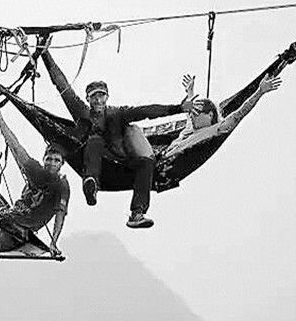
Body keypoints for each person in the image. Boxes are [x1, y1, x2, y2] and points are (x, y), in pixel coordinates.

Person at [35, 34, 201, 229]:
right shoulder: (82, 112)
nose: (98, 100)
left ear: (107, 97)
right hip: (95, 162)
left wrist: (178, 108)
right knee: (95, 140)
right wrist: (45, 54)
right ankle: (91, 184)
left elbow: (145, 111)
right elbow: (62, 85)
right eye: (94, 97)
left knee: (146, 162)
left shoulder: (117, 113)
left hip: (122, 161)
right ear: (88, 99)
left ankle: (137, 214)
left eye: (101, 96)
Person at [0, 103, 69, 257]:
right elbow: (15, 147)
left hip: (15, 234)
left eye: (56, 160)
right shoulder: (36, 171)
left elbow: (60, 215)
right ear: (44, 160)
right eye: (49, 159)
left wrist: (53, 242)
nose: (52, 163)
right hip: (0, 218)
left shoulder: (61, 185)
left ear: (62, 164)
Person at [162, 72, 283, 161]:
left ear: (209, 115)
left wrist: (259, 92)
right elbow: (190, 107)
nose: (192, 117)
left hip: (169, 163)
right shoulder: (191, 126)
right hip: (161, 157)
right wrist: (190, 91)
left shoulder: (216, 129)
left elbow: (239, 114)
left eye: (196, 114)